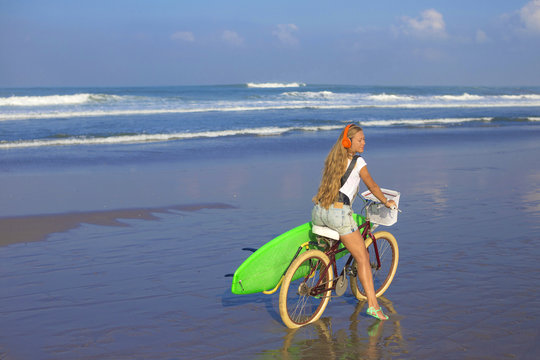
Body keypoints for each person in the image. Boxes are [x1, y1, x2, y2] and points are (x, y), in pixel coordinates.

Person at [312, 124, 396, 321]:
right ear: (348, 142)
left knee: (330, 250)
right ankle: (373, 306)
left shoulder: (333, 159)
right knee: (363, 258)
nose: (364, 142)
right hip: (339, 214)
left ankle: (325, 276)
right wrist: (386, 201)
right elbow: (372, 185)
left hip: (319, 211)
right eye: (360, 140)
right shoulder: (358, 162)